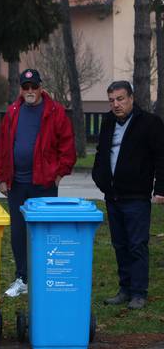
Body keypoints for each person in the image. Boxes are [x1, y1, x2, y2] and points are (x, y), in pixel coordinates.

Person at [0, 68, 76, 297]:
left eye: (34, 86)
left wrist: (58, 175)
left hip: (44, 184)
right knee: (19, 233)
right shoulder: (12, 112)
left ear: (40, 87)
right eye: (25, 87)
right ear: (21, 89)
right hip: (17, 184)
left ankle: (44, 276)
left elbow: (67, 147)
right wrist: (2, 176)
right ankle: (22, 278)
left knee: (44, 231)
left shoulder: (55, 112)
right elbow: (3, 146)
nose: (30, 91)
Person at [92, 80, 164, 310]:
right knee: (119, 244)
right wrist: (100, 178)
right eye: (112, 100)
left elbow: (162, 159)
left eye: (120, 99)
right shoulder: (107, 122)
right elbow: (102, 151)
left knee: (136, 245)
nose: (116, 104)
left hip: (136, 197)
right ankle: (124, 289)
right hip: (113, 196)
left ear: (131, 98)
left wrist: (160, 189)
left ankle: (139, 292)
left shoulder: (150, 124)